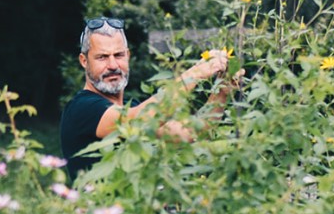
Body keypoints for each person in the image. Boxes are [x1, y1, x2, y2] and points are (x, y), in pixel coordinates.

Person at [60, 17, 234, 181]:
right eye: (102, 57)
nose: (113, 65)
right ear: (84, 61)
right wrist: (196, 73)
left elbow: (191, 134)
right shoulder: (82, 108)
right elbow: (139, 122)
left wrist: (222, 91)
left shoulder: (134, 108)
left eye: (118, 55)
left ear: (128, 55)